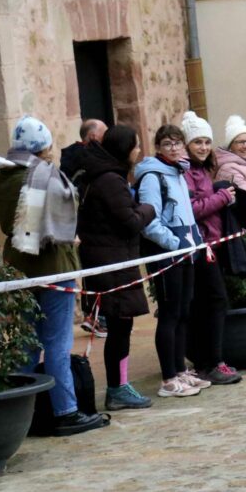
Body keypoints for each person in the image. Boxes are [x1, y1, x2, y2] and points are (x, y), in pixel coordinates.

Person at [0, 115, 108, 436]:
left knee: (26, 343)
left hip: (20, 267)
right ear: (45, 147)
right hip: (53, 266)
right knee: (57, 341)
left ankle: (20, 414)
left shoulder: (3, 178)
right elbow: (61, 213)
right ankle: (65, 410)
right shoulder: (40, 175)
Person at [76, 124, 158, 411]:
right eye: (136, 145)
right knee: (120, 325)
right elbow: (131, 221)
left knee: (122, 325)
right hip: (113, 263)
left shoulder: (104, 176)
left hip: (113, 259)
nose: (138, 151)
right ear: (125, 149)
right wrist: (150, 207)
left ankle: (120, 385)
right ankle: (117, 388)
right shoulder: (110, 180)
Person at [134, 125, 212, 399]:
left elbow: (186, 212)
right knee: (169, 314)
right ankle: (168, 377)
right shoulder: (153, 176)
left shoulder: (179, 172)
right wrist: (175, 244)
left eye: (178, 143)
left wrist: (195, 240)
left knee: (183, 312)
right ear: (158, 147)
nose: (174, 148)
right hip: (168, 254)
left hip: (187, 250)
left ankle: (180, 370)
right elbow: (150, 221)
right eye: (167, 144)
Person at [181, 111, 242, 385]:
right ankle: (211, 361)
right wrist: (221, 198)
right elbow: (191, 210)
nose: (204, 147)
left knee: (209, 303)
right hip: (199, 245)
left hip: (210, 244)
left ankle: (208, 360)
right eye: (197, 142)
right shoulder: (186, 173)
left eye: (207, 141)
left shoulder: (203, 170)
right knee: (214, 302)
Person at [60, 118, 109, 336]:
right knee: (98, 269)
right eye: (104, 134)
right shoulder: (85, 160)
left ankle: (95, 315)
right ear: (92, 137)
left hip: (83, 222)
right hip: (86, 221)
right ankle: (97, 317)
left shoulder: (73, 158)